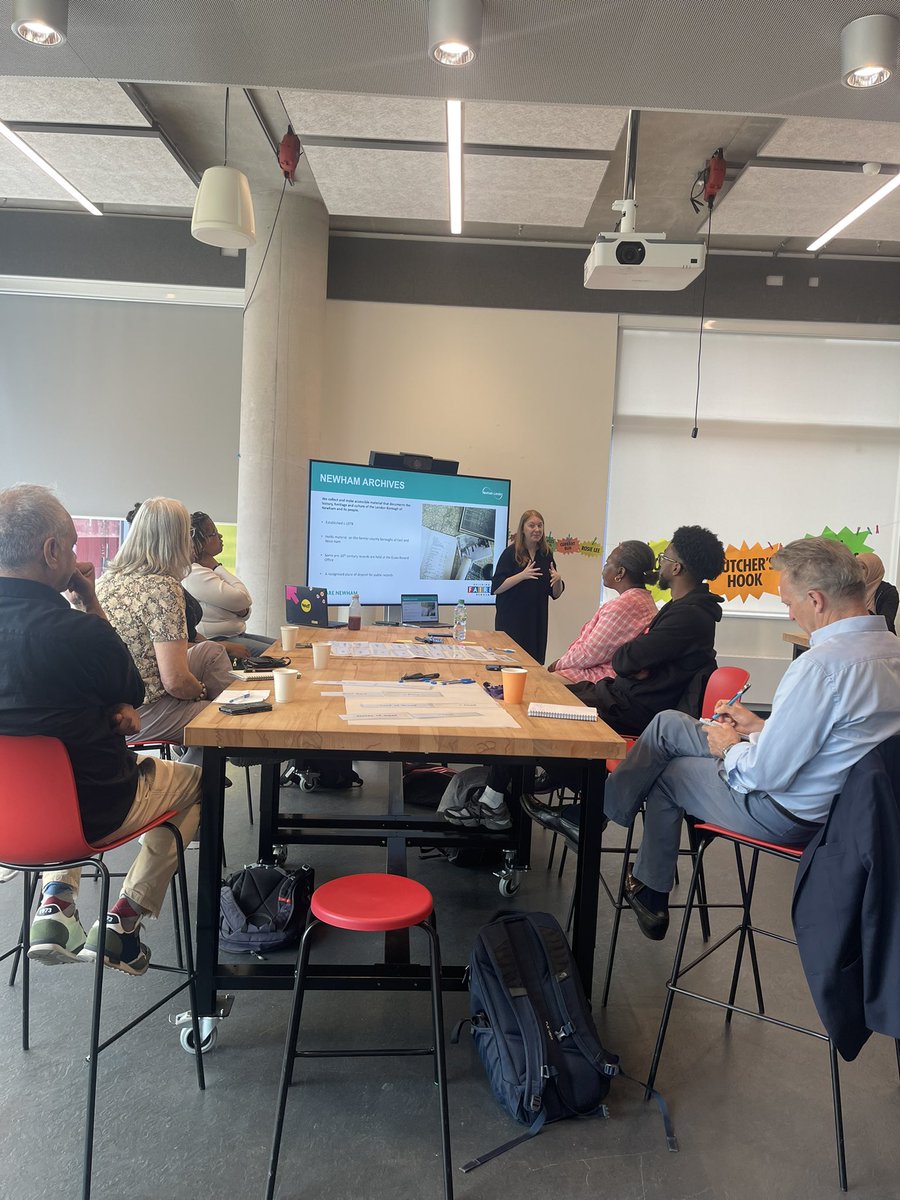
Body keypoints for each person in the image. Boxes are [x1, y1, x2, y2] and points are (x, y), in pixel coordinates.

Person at [602, 537, 900, 941]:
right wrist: (759, 727)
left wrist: (730, 747)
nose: (788, 611)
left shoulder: (821, 667)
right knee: (670, 724)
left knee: (668, 774)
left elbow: (764, 774)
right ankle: (632, 859)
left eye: (788, 602)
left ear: (816, 600)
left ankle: (636, 869)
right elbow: (836, 740)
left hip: (788, 813)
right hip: (847, 814)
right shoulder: (891, 652)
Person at [0, 484, 201, 976]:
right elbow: (131, 689)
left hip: (8, 819)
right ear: (51, 551)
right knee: (200, 783)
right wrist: (88, 599)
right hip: (97, 808)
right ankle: (124, 919)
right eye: (70, 546)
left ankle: (56, 902)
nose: (74, 556)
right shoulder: (78, 632)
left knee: (59, 778)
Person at [446, 525, 726, 834]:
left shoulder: (687, 615)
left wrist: (630, 660)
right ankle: (507, 796)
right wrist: (633, 659)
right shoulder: (678, 607)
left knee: (532, 709)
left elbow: (624, 658)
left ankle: (524, 798)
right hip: (624, 694)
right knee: (534, 702)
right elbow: (630, 657)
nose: (659, 563)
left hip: (631, 706)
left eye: (665, 557)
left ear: (677, 567)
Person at [96, 497, 235, 766]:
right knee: (220, 718)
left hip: (114, 706)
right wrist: (202, 691)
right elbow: (176, 681)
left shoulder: (105, 581)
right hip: (144, 711)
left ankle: (219, 743)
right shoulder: (163, 588)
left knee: (211, 651)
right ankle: (198, 776)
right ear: (177, 538)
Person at [548, 540, 658, 683]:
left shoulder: (625, 606)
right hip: (605, 673)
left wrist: (557, 664)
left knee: (541, 683)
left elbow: (589, 654)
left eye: (607, 563)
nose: (603, 569)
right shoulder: (642, 600)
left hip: (604, 679)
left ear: (620, 572)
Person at [183, 511, 273, 654]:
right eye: (213, 533)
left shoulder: (207, 571)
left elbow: (244, 609)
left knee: (282, 647)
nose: (220, 536)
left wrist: (241, 608)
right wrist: (217, 567)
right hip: (217, 640)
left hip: (235, 635)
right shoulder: (195, 573)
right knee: (280, 654)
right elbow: (243, 599)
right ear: (199, 542)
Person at [491, 510, 564, 665]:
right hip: (511, 622)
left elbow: (555, 594)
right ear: (523, 529)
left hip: (536, 622)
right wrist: (522, 575)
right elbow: (496, 587)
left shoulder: (546, 554)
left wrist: (558, 580)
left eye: (540, 525)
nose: (536, 529)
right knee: (510, 665)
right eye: (531, 525)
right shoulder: (511, 553)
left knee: (533, 666)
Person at [857, 551, 898, 634]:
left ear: (873, 570)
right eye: (855, 567)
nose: (857, 571)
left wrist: (861, 612)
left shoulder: (888, 591)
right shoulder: (850, 589)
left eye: (862, 567)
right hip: (852, 638)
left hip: (881, 639)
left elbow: (887, 623)